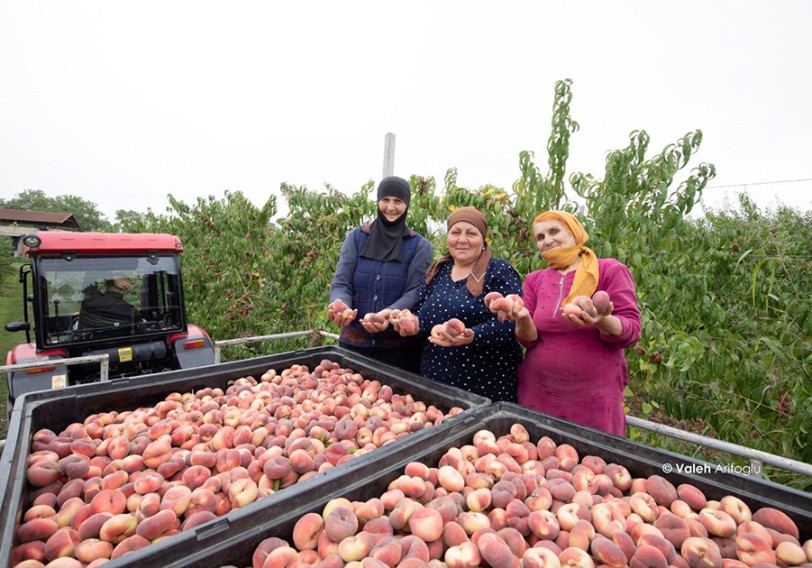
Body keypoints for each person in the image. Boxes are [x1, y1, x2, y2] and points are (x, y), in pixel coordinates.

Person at [489, 210, 641, 436]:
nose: (547, 240)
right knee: (537, 456)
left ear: (574, 232)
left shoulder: (608, 270)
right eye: (540, 237)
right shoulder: (535, 279)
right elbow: (529, 340)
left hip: (594, 396)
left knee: (593, 462)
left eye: (554, 231)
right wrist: (522, 318)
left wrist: (602, 320)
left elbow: (631, 331)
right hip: (539, 391)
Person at [392, 206, 523, 401]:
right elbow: (419, 313)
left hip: (486, 387)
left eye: (471, 233)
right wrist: (412, 324)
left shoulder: (498, 270)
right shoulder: (438, 271)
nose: (462, 240)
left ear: (483, 240)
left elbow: (511, 322)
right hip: (436, 385)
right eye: (455, 232)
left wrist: (472, 335)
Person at [327, 176, 433, 372]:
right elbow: (341, 283)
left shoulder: (419, 246)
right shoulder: (357, 238)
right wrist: (340, 305)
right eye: (385, 200)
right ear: (378, 202)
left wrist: (387, 314)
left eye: (398, 201)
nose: (390, 207)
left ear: (406, 205)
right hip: (353, 346)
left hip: (398, 352)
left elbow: (415, 292)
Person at [78, 276, 144, 328]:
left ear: (105, 285)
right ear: (125, 289)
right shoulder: (131, 312)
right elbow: (143, 329)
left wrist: (113, 277)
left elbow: (89, 275)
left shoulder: (89, 301)